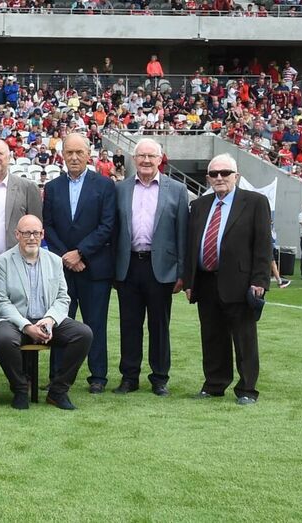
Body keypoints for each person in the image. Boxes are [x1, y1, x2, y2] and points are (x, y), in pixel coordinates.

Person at [182, 154, 272, 405]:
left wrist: (260, 281)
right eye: (214, 174)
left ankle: (246, 389)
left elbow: (263, 245)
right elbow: (192, 245)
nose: (219, 177)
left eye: (225, 172)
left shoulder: (255, 202)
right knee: (211, 337)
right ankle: (214, 384)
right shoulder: (200, 205)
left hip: (242, 282)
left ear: (236, 175)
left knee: (244, 338)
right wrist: (189, 281)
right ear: (208, 178)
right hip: (206, 281)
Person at [41, 132, 116, 394]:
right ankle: (57, 376)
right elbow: (47, 226)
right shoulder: (52, 187)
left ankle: (98, 377)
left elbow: (107, 226)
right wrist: (67, 257)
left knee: (95, 323)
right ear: (62, 155)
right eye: (69, 153)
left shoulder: (105, 186)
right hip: (62, 270)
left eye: (78, 152)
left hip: (95, 269)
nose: (73, 157)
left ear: (88, 154)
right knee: (60, 323)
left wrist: (81, 253)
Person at [113, 139, 189, 396]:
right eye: (141, 156)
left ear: (160, 159)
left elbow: (182, 232)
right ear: (134, 159)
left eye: (151, 156)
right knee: (129, 324)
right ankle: (129, 377)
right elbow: (115, 231)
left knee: (159, 326)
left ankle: (159, 378)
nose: (146, 160)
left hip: (162, 268)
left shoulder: (177, 190)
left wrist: (181, 272)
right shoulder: (121, 189)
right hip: (129, 265)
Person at [0, 214, 92, 411]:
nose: (31, 237)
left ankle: (58, 391)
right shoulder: (2, 261)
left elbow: (63, 297)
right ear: (17, 234)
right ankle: (20, 389)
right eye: (26, 233)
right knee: (3, 339)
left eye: (36, 233)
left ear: (42, 234)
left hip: (47, 319)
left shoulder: (54, 261)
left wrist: (50, 319)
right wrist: (26, 326)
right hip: (14, 321)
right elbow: (1, 301)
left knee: (83, 334)